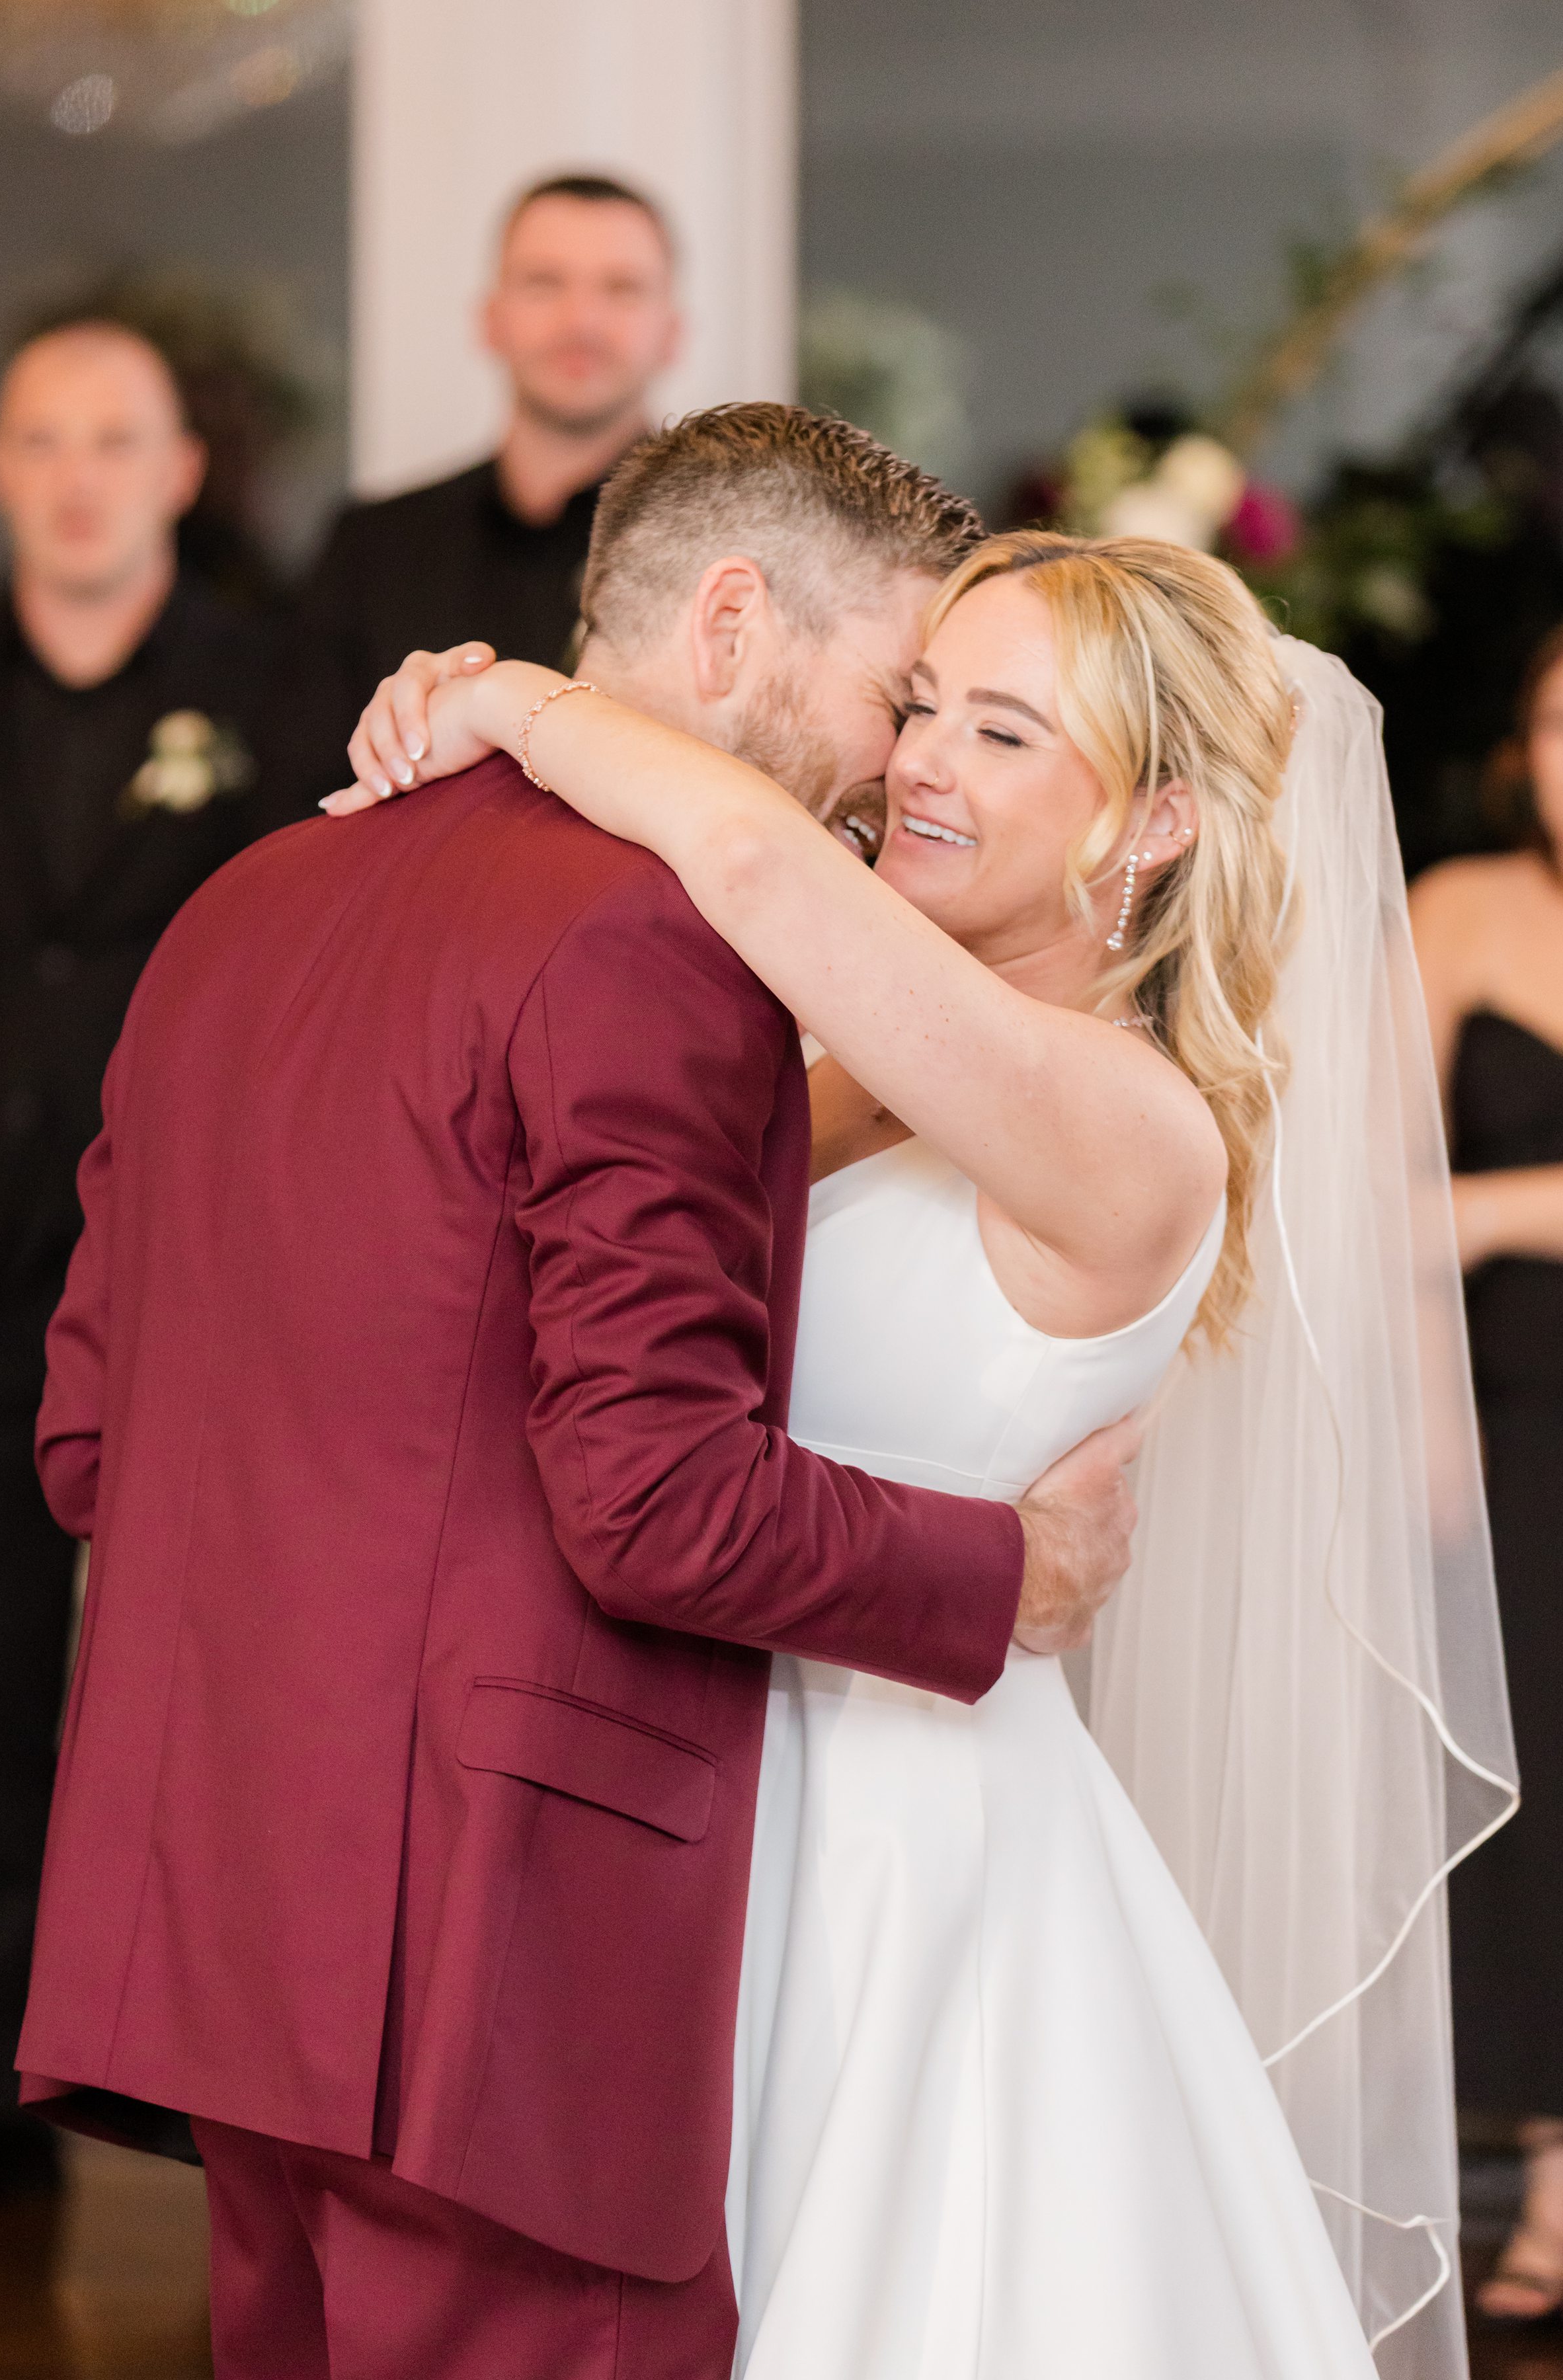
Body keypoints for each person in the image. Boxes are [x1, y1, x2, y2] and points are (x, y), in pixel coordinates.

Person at [338, 463, 1515, 2374]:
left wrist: (519, 705)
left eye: (1001, 726)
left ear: (1153, 828)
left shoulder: (1128, 1123)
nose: (919, 762)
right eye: (920, 704)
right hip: (697, 1806)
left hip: (911, 1867)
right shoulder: (866, 1073)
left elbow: (749, 866)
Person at [15, 408, 1142, 2380]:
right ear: (727, 625)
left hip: (215, 1915)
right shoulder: (652, 941)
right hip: (485, 1960)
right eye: (891, 690)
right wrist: (1005, 1575)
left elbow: (89, 1440)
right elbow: (652, 1500)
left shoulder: (238, 909)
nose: (901, 762)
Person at [0, 319, 312, 2198]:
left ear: (185, 468)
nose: (80, 472)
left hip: (196, 1281)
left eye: (117, 437)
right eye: (42, 437)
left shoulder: (281, 693)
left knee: (205, 1686)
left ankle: (207, 2093)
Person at [1411, 622, 1563, 2326]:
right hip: (1511, 1425)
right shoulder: (1452, 910)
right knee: (1532, 1794)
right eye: (1546, 720)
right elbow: (1357, 1199)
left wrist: (1495, 1213)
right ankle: (1545, 2176)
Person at [295, 172, 681, 795]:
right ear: (490, 320)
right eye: (544, 283)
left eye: (621, 288)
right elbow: (306, 804)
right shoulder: (372, 549)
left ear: (673, 332)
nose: (582, 319)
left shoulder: (727, 554)